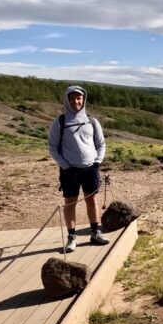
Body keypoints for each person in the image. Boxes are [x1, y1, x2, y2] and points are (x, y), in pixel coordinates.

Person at [48, 85, 109, 252]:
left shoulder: (92, 121)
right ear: (67, 100)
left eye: (79, 98)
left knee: (92, 200)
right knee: (70, 203)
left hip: (91, 169)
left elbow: (101, 144)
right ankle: (72, 237)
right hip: (69, 171)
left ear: (83, 100)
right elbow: (52, 147)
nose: (76, 101)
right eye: (72, 98)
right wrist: (65, 165)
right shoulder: (60, 122)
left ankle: (95, 232)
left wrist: (97, 162)